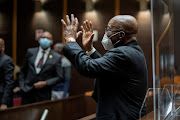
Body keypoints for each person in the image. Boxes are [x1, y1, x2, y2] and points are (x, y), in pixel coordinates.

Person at [61, 14, 148, 120]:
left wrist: (71, 40)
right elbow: (106, 69)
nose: (106, 33)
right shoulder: (132, 50)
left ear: (121, 35)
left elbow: (87, 67)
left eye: (109, 29)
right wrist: (90, 49)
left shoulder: (123, 53)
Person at [19, 31, 64, 105]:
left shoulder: (56, 57)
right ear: (39, 40)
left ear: (51, 42)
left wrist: (45, 83)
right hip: (27, 92)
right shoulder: (30, 52)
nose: (45, 39)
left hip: (44, 94)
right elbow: (23, 70)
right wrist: (22, 86)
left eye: (48, 38)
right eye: (43, 37)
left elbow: (59, 76)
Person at [0, 38, 15, 109]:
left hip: (2, 98)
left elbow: (9, 83)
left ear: (3, 47)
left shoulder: (6, 60)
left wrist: (4, 102)